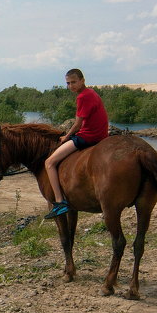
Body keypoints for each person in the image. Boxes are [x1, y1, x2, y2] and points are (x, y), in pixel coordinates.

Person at [43, 68, 109, 218]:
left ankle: (60, 202)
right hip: (101, 135)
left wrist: (66, 137)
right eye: (68, 83)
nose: (71, 86)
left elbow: (78, 124)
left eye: (73, 82)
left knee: (49, 162)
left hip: (88, 137)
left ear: (82, 81)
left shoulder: (82, 97)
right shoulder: (91, 93)